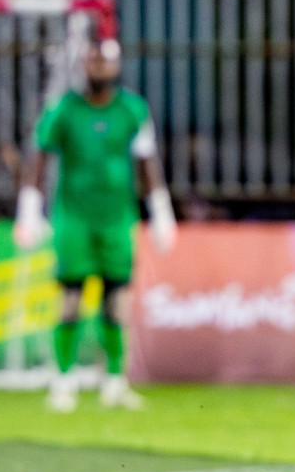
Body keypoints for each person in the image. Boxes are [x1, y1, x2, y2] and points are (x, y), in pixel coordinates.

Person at [13, 37, 176, 412]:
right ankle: (64, 379)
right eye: (93, 62)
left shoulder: (132, 110)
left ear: (116, 66)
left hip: (118, 218)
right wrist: (30, 207)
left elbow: (146, 162)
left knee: (116, 301)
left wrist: (160, 210)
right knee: (69, 299)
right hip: (75, 219)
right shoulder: (65, 110)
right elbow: (41, 157)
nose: (98, 69)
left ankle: (115, 380)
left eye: (105, 62)